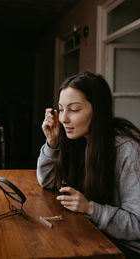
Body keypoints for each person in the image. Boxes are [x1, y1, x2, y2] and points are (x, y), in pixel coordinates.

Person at [37, 72, 140, 259]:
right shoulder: (77, 139)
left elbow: (137, 225)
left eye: (74, 109)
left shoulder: (129, 151)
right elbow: (48, 182)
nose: (63, 119)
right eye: (60, 109)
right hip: (94, 234)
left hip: (125, 249)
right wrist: (52, 144)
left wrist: (90, 208)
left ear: (98, 111)